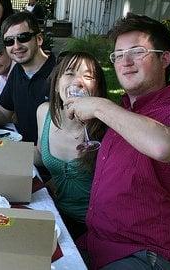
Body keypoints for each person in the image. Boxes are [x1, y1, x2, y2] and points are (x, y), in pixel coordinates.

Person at [67, 13, 170, 269]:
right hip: (96, 245)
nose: (125, 62)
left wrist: (99, 106)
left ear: (165, 58)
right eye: (118, 55)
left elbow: (162, 145)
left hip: (146, 254)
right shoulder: (124, 114)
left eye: (137, 52)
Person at [35, 51, 107, 239]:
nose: (78, 81)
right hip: (54, 216)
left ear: (97, 90)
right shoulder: (44, 113)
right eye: (69, 73)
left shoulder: (109, 129)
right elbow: (39, 155)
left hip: (95, 229)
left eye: (88, 76)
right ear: (57, 84)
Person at [0, 12, 55, 144]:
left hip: (47, 159)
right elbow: (3, 113)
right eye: (9, 41)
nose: (16, 46)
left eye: (23, 37)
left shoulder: (60, 74)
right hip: (22, 150)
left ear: (39, 39)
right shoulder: (17, 70)